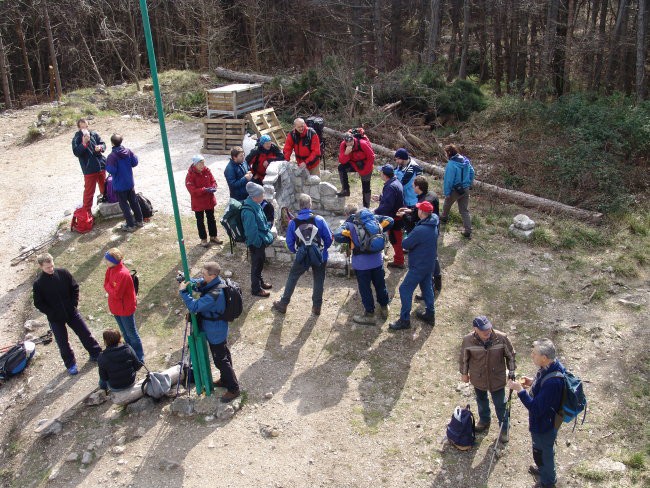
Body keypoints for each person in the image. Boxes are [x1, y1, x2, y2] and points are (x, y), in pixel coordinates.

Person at [507, 338, 565, 488]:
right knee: (540, 449)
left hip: (545, 425)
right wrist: (532, 382)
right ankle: (542, 469)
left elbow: (536, 409)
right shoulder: (550, 367)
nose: (531, 355)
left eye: (534, 353)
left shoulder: (553, 383)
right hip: (545, 421)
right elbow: (543, 384)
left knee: (545, 451)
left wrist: (520, 390)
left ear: (544, 358)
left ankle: (548, 481)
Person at [179, 261, 240, 402]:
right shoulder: (216, 282)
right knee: (223, 354)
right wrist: (187, 281)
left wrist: (183, 292)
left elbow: (194, 306)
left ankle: (234, 388)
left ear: (212, 276)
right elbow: (199, 283)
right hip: (217, 327)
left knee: (220, 360)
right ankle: (225, 380)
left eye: (204, 274)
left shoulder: (215, 294)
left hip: (215, 330)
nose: (202, 276)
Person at [32, 253, 102, 375]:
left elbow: (74, 287)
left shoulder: (63, 273)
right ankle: (71, 364)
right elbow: (38, 303)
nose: (51, 269)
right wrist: (52, 312)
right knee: (62, 343)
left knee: (85, 333)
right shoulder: (38, 284)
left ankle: (96, 353)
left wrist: (73, 304)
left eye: (52, 266)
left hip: (71, 312)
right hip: (55, 318)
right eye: (47, 267)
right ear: (41, 266)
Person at [272, 194, 332, 316]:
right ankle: (317, 307)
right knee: (319, 279)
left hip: (302, 255)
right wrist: (323, 250)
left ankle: (283, 304)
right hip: (319, 255)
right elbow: (329, 238)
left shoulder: (293, 223)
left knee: (293, 277)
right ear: (310, 205)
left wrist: (296, 251)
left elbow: (289, 243)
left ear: (300, 206)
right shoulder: (319, 220)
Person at [459, 316, 516, 444]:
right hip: (478, 378)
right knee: (481, 400)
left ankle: (504, 428)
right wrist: (464, 374)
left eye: (488, 328)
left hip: (497, 378)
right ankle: (484, 420)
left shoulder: (501, 338)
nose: (487, 331)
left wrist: (511, 371)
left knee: (500, 404)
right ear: (475, 329)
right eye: (483, 329)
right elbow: (464, 358)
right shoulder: (467, 340)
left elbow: (510, 355)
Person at [333, 203, 393, 325]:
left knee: (365, 288)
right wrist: (380, 229)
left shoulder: (349, 224)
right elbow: (390, 220)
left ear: (346, 214)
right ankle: (384, 307)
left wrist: (351, 238)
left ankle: (370, 313)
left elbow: (337, 235)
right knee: (380, 284)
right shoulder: (371, 218)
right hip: (377, 260)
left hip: (361, 264)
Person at [388, 201, 438, 330]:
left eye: (418, 209)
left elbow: (405, 244)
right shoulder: (433, 222)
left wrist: (407, 234)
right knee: (427, 288)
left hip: (418, 265)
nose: (417, 211)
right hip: (429, 263)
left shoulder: (421, 229)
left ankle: (404, 320)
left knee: (404, 289)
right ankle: (430, 314)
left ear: (422, 212)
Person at [397, 175, 442, 299]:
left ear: (418, 187)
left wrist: (403, 216)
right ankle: (438, 282)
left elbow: (413, 220)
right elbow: (418, 209)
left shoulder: (423, 201)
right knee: (434, 255)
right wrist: (408, 209)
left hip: (425, 233)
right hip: (434, 228)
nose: (412, 187)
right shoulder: (431, 195)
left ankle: (432, 286)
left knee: (428, 258)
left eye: (413, 186)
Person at [103, 248, 144, 363]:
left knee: (131, 333)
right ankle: (130, 353)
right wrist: (110, 287)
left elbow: (117, 294)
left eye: (107, 260)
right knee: (125, 333)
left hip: (125, 309)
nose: (105, 262)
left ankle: (139, 357)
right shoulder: (110, 269)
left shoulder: (123, 274)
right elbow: (106, 283)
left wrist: (108, 288)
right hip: (116, 308)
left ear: (114, 261)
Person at [241, 182, 274, 297]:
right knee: (256, 266)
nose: (263, 197)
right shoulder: (248, 211)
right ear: (254, 197)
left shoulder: (256, 204)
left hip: (259, 242)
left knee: (260, 263)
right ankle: (256, 289)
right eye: (261, 195)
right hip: (256, 244)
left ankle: (261, 283)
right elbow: (251, 232)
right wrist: (259, 243)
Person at [105, 133, 143, 232]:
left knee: (124, 205)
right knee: (134, 202)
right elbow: (135, 162)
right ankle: (139, 221)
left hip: (119, 185)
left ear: (112, 143)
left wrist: (107, 164)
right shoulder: (128, 151)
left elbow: (111, 170)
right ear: (121, 141)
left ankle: (130, 225)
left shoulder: (112, 156)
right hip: (130, 183)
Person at [185, 154, 223, 247]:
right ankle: (203, 239)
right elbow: (192, 190)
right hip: (198, 202)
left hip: (209, 200)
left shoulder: (207, 171)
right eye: (200, 163)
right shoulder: (190, 175)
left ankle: (213, 236)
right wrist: (204, 189)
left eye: (203, 163)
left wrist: (213, 186)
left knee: (211, 218)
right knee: (200, 220)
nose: (202, 165)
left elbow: (213, 181)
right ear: (195, 164)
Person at [372, 164, 405, 269]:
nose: (380, 173)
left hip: (394, 217)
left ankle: (399, 261)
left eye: (381, 172)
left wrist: (374, 213)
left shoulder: (390, 187)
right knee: (396, 238)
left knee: (395, 239)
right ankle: (399, 258)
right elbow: (390, 199)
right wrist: (381, 198)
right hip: (396, 214)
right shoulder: (394, 182)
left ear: (384, 174)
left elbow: (387, 206)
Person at [71, 118, 107, 211]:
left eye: (86, 126)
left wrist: (100, 147)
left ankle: (108, 204)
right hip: (89, 169)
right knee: (89, 192)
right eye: (83, 127)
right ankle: (86, 213)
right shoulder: (77, 138)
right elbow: (76, 152)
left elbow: (103, 144)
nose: (85, 129)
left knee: (105, 187)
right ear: (79, 128)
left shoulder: (94, 134)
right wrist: (83, 143)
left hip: (101, 165)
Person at [441, 144, 475, 239]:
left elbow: (448, 180)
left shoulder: (451, 164)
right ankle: (468, 231)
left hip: (455, 190)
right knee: (464, 210)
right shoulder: (465, 160)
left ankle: (443, 219)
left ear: (449, 153)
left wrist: (447, 193)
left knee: (447, 204)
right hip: (466, 188)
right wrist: (469, 182)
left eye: (445, 153)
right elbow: (472, 172)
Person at [336, 132, 375, 208]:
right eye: (347, 142)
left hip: (366, 165)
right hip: (354, 164)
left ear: (353, 139)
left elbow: (371, 157)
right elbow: (342, 161)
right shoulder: (343, 145)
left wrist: (364, 171)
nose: (350, 144)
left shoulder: (362, 144)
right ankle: (345, 190)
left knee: (366, 186)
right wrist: (346, 153)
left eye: (351, 141)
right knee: (341, 167)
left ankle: (366, 206)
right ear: (345, 141)